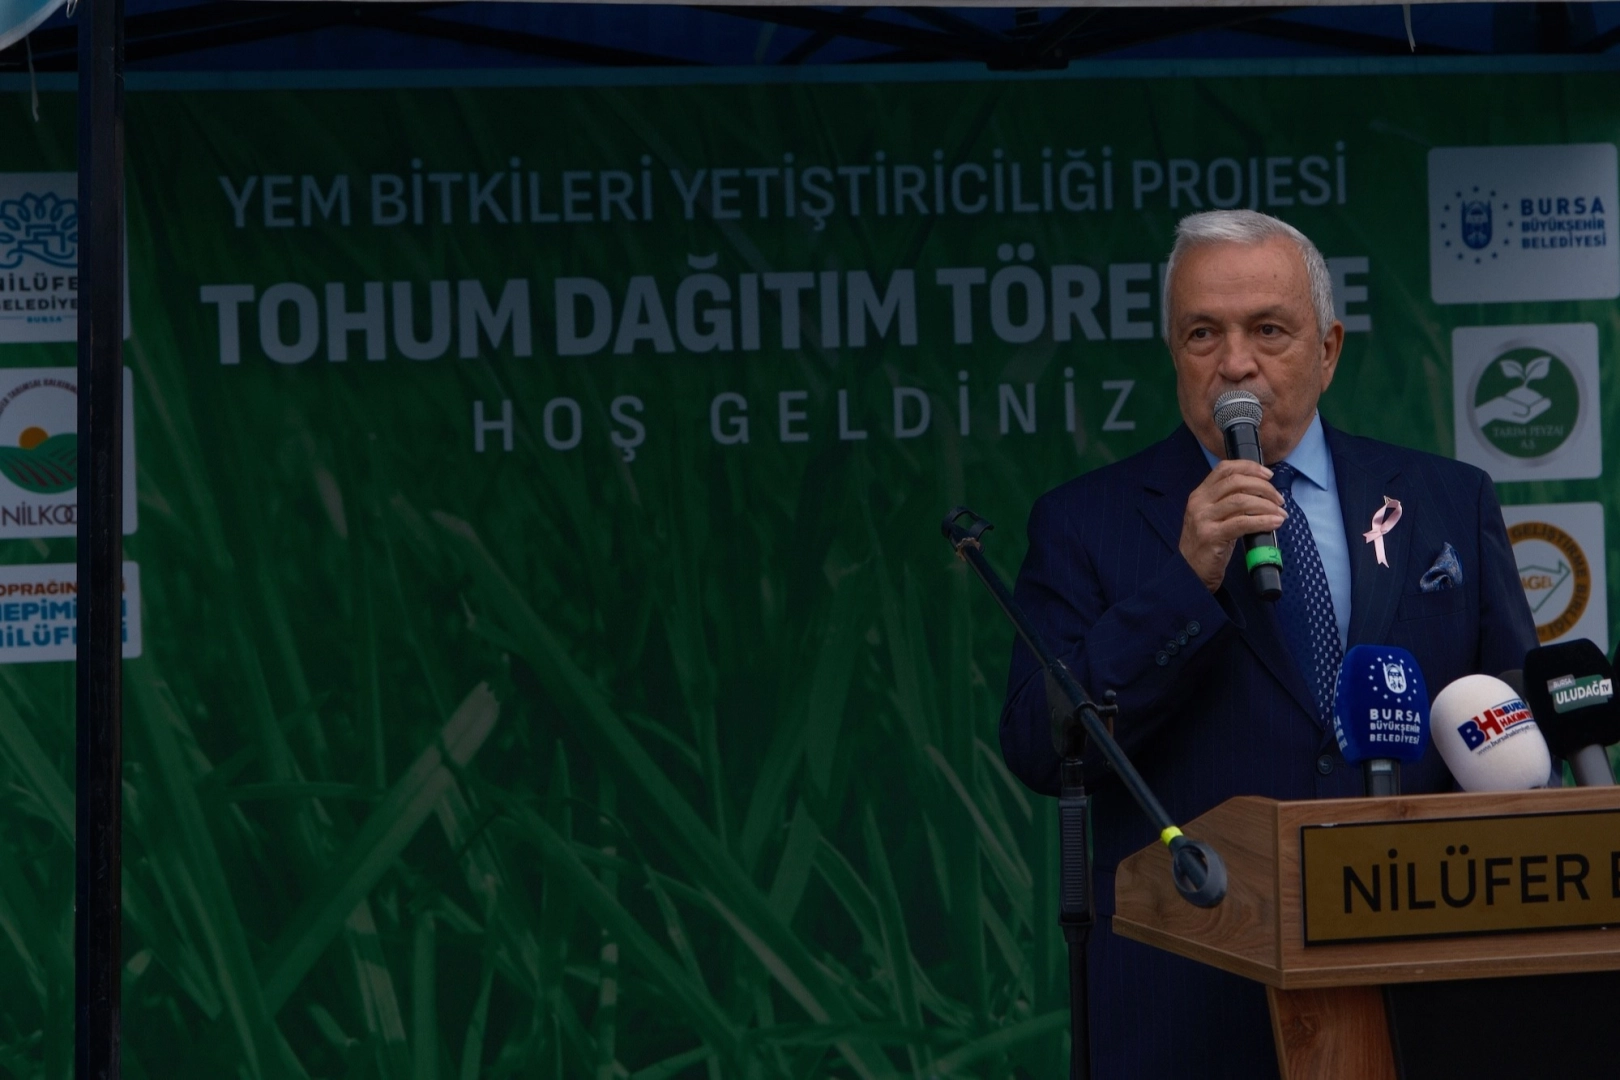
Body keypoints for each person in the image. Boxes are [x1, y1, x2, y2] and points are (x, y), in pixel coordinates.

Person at [999, 210, 1536, 1078]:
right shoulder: (1086, 522)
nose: (1235, 363)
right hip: (1191, 1003)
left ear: (1328, 350)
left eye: (1268, 331)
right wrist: (1185, 581)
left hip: (1422, 991)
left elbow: (1510, 727)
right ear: (1174, 351)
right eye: (1202, 333)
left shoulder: (1448, 500)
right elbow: (1041, 742)